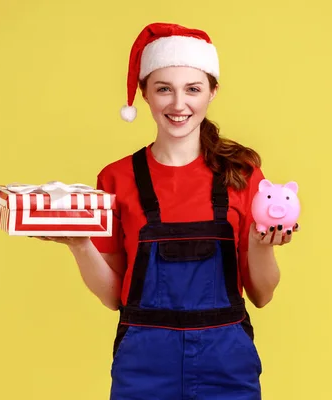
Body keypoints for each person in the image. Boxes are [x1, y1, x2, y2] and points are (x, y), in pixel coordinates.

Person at [39, 22, 299, 399]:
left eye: (193, 89)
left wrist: (263, 246)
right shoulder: (116, 178)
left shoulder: (242, 175)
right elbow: (115, 297)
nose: (179, 104)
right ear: (145, 93)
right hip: (143, 368)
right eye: (164, 89)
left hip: (227, 366)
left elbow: (262, 294)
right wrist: (80, 245)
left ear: (212, 92)